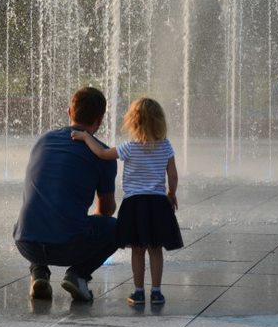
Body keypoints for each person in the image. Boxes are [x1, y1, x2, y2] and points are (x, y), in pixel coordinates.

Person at [71, 97, 183, 306]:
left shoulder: (129, 147)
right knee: (156, 249)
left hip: (135, 204)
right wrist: (171, 192)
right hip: (158, 204)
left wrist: (86, 137)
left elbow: (103, 153)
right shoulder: (166, 146)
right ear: (160, 122)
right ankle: (157, 292)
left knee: (138, 249)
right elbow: (173, 175)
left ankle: (139, 292)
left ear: (133, 122)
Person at [14, 87, 118, 302]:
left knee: (40, 211)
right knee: (121, 228)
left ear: (69, 112)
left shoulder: (43, 140)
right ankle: (78, 275)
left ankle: (38, 273)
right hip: (68, 247)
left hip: (25, 242)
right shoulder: (102, 153)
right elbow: (106, 210)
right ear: (100, 120)